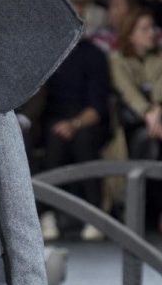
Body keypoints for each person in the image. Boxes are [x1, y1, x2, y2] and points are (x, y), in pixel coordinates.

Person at [38, 32, 112, 242]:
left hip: (88, 120)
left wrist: (74, 123)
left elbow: (98, 105)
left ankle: (94, 213)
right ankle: (47, 213)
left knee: (84, 140)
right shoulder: (49, 52)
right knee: (54, 139)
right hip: (54, 121)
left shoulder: (94, 54)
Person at [110, 8, 162, 234]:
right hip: (127, 127)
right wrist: (150, 115)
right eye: (144, 29)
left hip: (161, 123)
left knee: (149, 142)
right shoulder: (117, 59)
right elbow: (128, 93)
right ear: (130, 34)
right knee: (148, 142)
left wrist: (156, 115)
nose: (152, 33)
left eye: (152, 28)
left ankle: (133, 210)